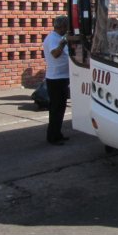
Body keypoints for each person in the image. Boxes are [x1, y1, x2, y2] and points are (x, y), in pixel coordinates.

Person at [42, 15, 70, 145]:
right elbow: (55, 54)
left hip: (61, 77)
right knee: (56, 109)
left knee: (60, 107)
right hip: (56, 79)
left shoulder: (57, 37)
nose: (67, 29)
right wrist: (63, 43)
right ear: (62, 26)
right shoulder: (53, 38)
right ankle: (53, 137)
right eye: (66, 26)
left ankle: (57, 134)